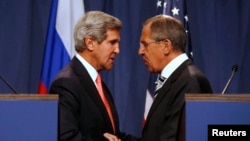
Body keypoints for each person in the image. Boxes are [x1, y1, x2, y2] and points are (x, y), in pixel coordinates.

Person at [49, 11, 130, 141]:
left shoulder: (97, 83)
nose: (117, 50)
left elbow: (113, 135)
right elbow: (67, 137)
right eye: (112, 42)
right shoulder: (66, 84)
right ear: (90, 43)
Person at [137, 15, 213, 141]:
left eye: (145, 44)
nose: (140, 51)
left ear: (166, 46)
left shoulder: (189, 82)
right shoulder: (177, 78)